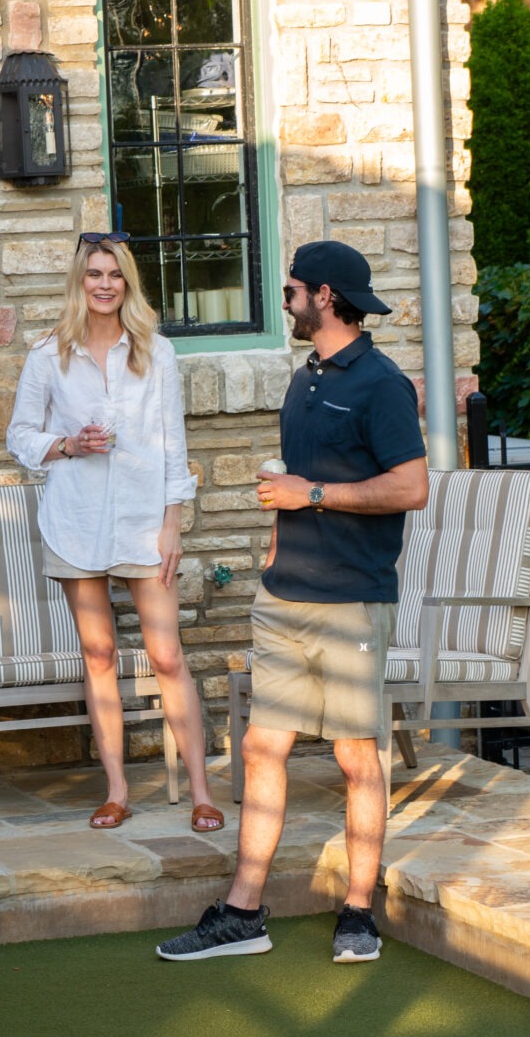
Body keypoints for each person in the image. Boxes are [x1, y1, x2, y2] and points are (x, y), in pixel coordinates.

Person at [158, 239, 429, 966]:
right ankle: (243, 911)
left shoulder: (381, 384)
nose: (284, 303)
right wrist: (278, 546)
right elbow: (296, 482)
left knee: (354, 756)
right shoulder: (304, 377)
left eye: (290, 292)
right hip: (284, 598)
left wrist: (311, 494)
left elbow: (410, 487)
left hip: (350, 604)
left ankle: (359, 912)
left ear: (326, 297)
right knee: (260, 747)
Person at [6, 233, 221, 832]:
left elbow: (174, 443)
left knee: (167, 655)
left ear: (128, 283)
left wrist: (173, 523)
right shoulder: (49, 355)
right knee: (98, 654)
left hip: (142, 521)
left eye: (115, 275)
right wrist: (67, 444)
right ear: (80, 282)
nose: (104, 285)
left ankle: (202, 792)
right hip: (74, 522)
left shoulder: (156, 352)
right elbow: (19, 435)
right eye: (94, 274)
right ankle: (117, 790)